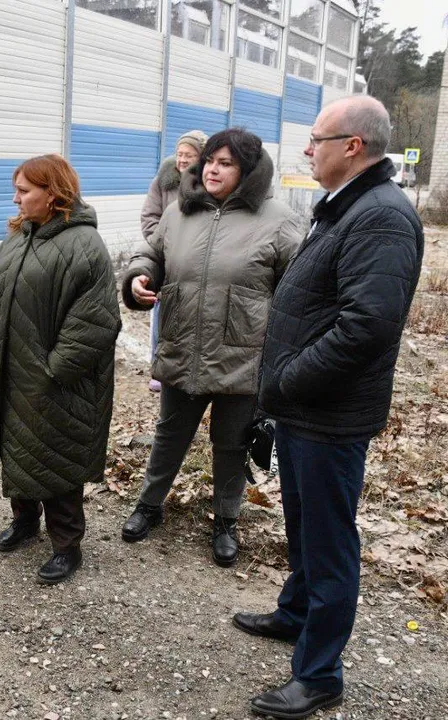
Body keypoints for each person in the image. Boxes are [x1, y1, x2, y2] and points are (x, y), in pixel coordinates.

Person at [235, 96, 424, 720]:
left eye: (317, 139)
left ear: (353, 146)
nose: (307, 149)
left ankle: (319, 676)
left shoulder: (382, 218)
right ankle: (297, 614)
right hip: (304, 408)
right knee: (304, 528)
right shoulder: (344, 206)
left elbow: (367, 326)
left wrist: (287, 381)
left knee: (329, 541)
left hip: (327, 413)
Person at [120, 128, 303, 567]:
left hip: (243, 352)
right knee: (169, 435)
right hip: (183, 342)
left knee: (231, 443)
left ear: (249, 171)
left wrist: (282, 354)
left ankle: (225, 520)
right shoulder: (180, 211)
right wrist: (138, 278)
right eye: (210, 161)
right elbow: (151, 254)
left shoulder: (278, 219)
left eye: (226, 163)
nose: (213, 169)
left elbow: (298, 290)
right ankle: (149, 504)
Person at [0, 154, 120, 585]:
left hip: (55, 380)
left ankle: (66, 545)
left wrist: (54, 369)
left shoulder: (85, 246)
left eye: (24, 191)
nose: (16, 198)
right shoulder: (19, 237)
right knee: (17, 446)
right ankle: (24, 521)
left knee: (56, 457)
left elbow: (95, 321)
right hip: (10, 370)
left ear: (52, 193)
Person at [140, 130, 208, 393]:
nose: (181, 160)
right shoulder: (163, 180)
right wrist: (167, 245)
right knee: (162, 310)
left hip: (198, 257)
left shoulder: (208, 182)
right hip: (167, 255)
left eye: (188, 155)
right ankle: (159, 365)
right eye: (179, 154)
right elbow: (149, 217)